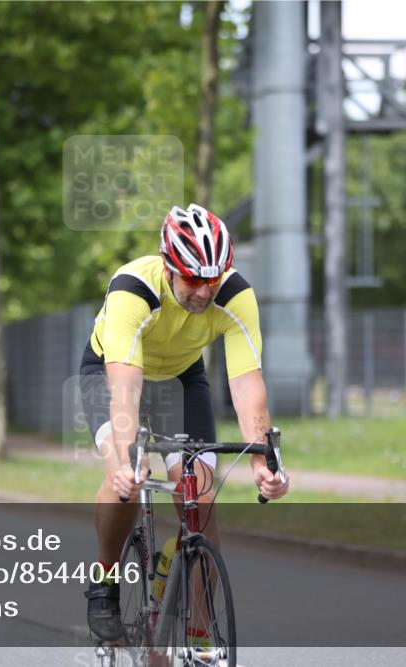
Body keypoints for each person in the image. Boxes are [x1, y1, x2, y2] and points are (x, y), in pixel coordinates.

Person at [80, 204, 290, 642]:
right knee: (128, 480)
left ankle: (197, 634)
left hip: (181, 377)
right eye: (193, 279)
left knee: (201, 494)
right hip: (112, 373)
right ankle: (105, 579)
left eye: (213, 279)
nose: (204, 291)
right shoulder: (132, 291)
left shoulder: (235, 296)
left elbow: (248, 384)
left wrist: (262, 463)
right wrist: (125, 458)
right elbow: (125, 391)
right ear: (168, 266)